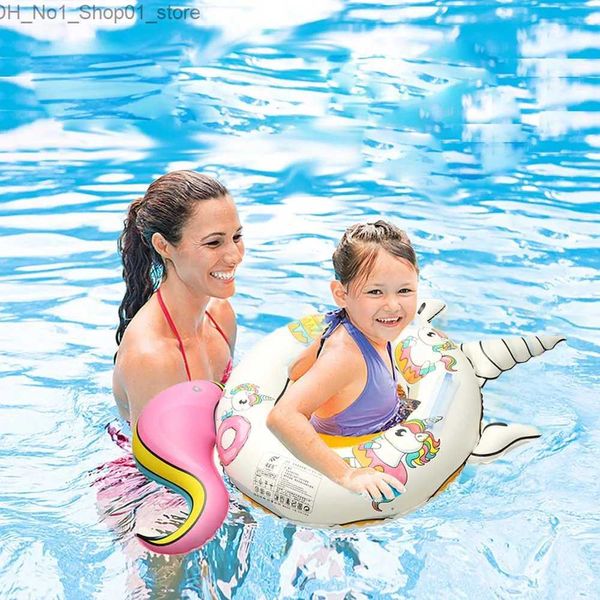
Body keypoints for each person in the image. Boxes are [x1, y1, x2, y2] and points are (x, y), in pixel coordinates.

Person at [267, 220, 418, 503]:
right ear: (341, 294)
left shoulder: (361, 326)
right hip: (344, 472)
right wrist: (347, 475)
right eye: (375, 292)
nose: (393, 305)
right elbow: (282, 417)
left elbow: (296, 369)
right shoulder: (345, 357)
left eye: (405, 291)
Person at [112, 170, 244, 425]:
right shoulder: (151, 357)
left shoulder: (220, 315)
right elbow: (156, 462)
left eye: (236, 237)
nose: (234, 256)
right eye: (214, 243)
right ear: (163, 246)